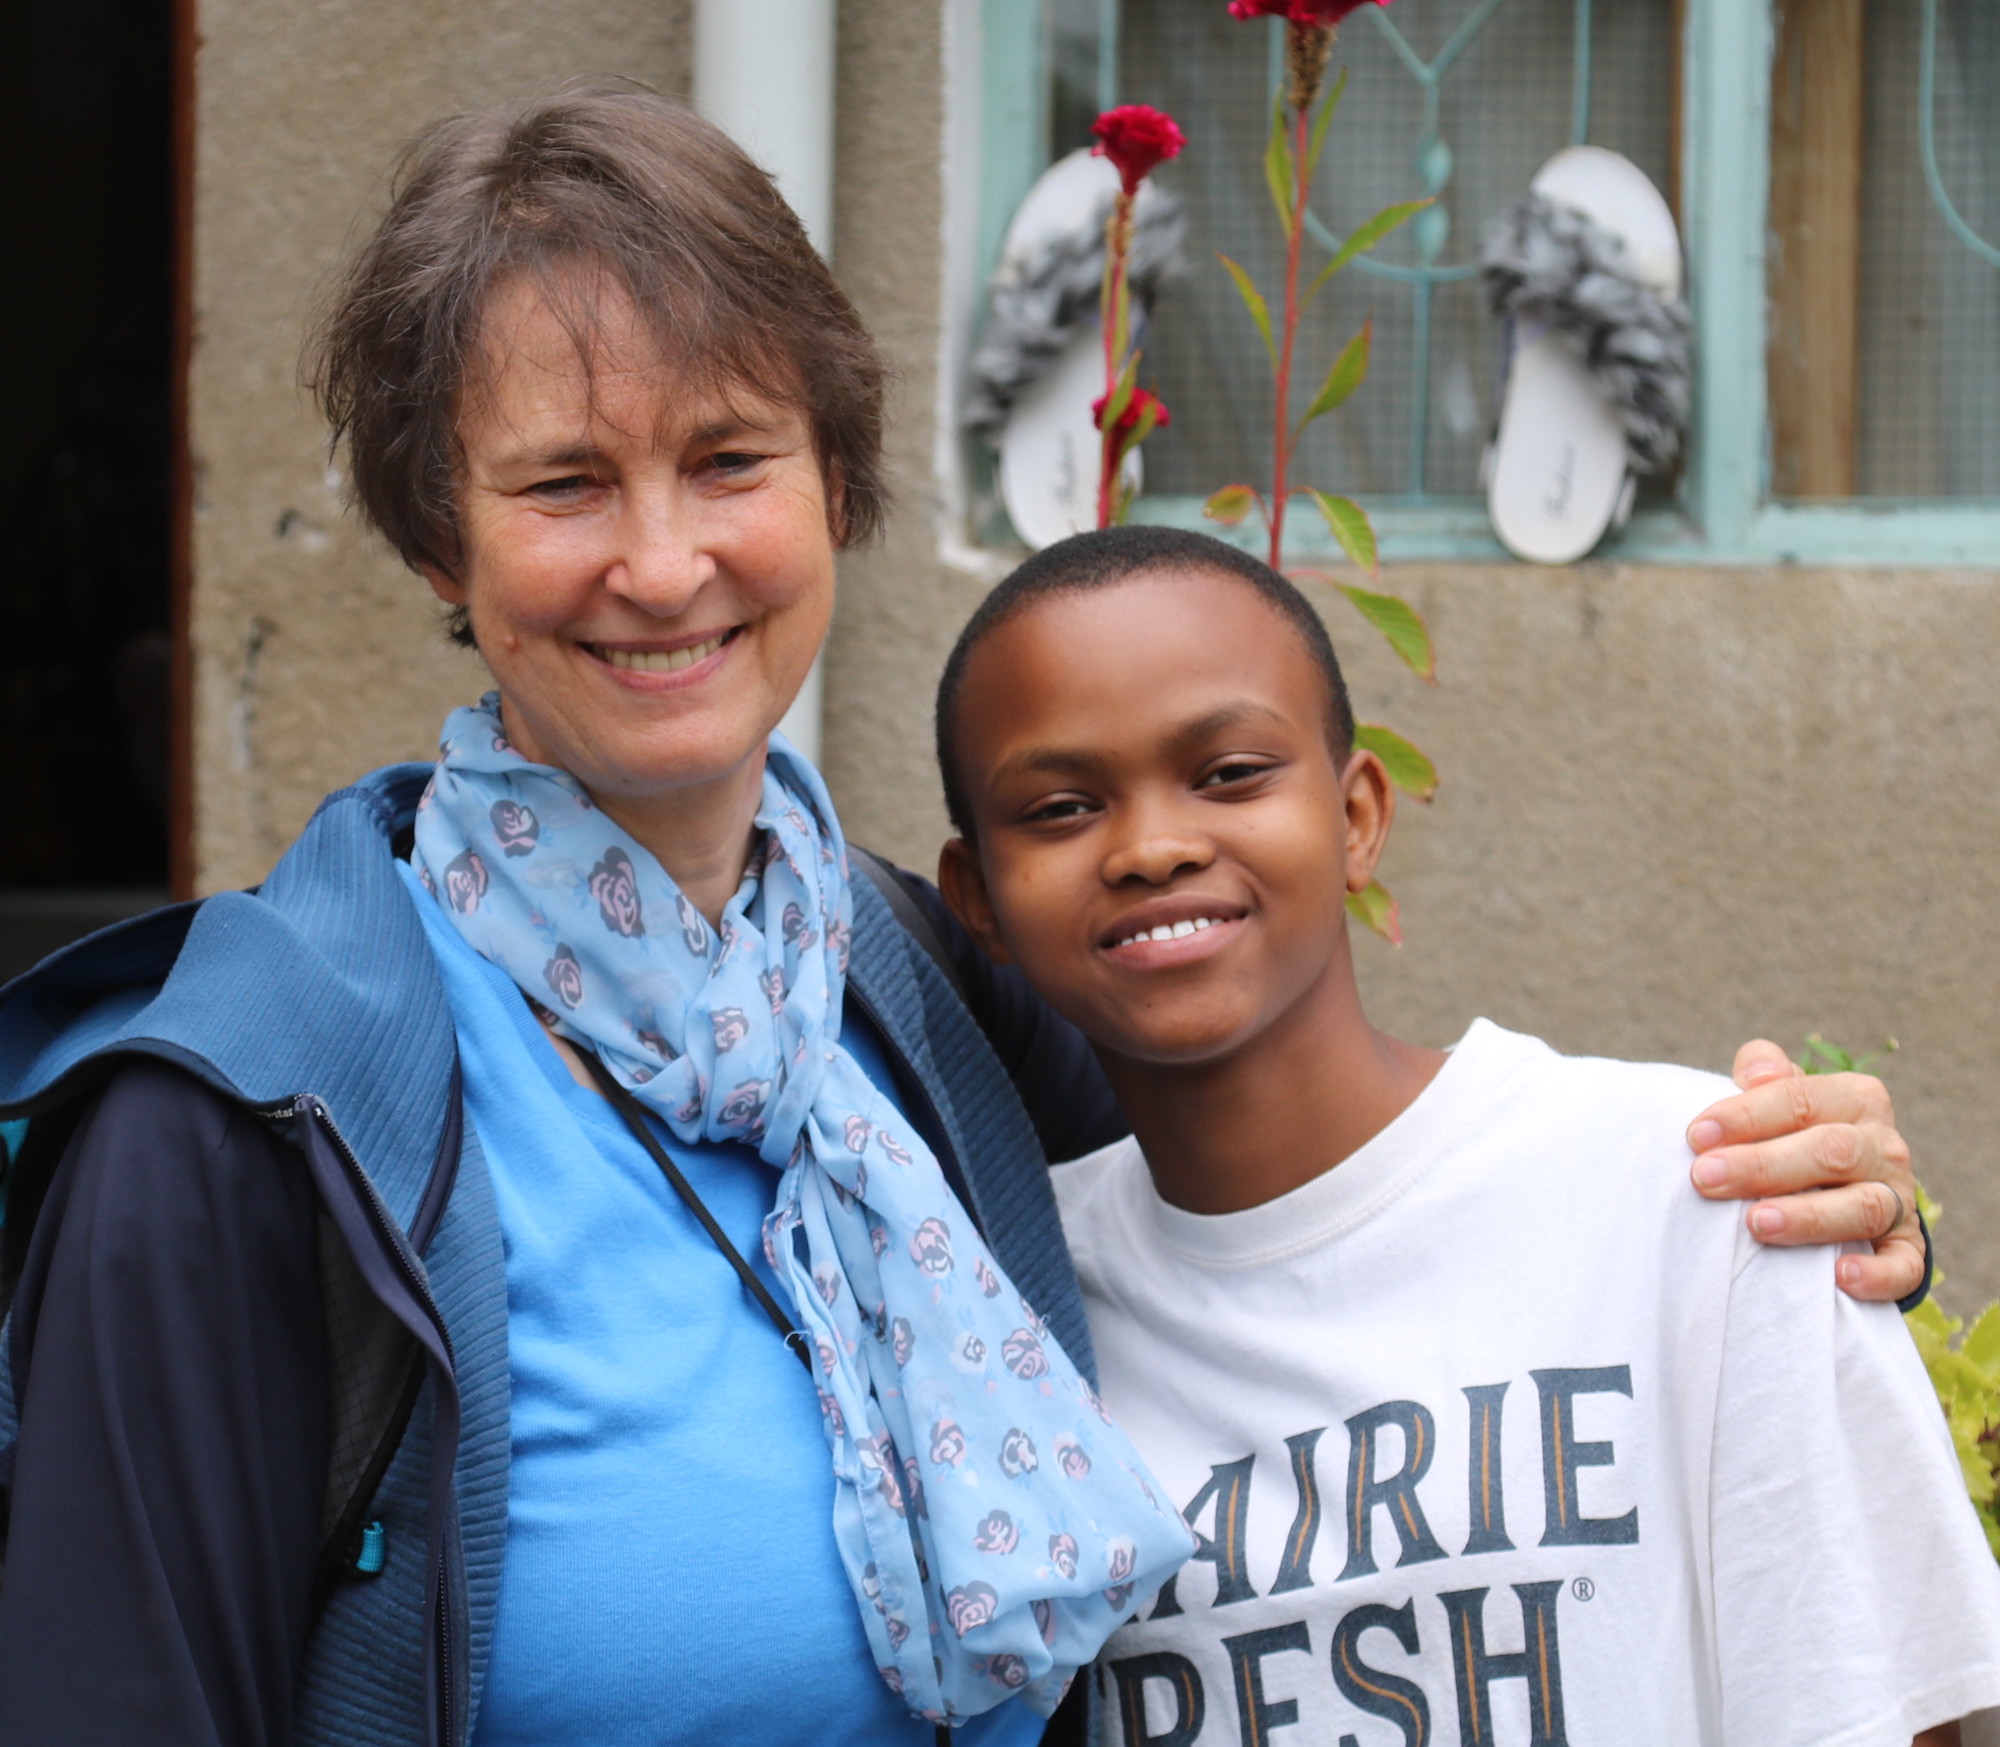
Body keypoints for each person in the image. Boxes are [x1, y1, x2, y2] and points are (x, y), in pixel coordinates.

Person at [0, 84, 1924, 1747]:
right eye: (566, 483)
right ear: (442, 537)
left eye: (731, 459)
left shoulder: (920, 1003)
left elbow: (1325, 1263)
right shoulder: (242, 1121)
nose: (664, 563)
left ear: (836, 488)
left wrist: (1773, 1219)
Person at [929, 525, 2000, 1747]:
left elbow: (1879, 1707)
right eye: (1062, 807)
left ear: (1356, 817)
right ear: (978, 903)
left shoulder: (1701, 1189)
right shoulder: (990, 1317)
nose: (1152, 846)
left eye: (1227, 772)